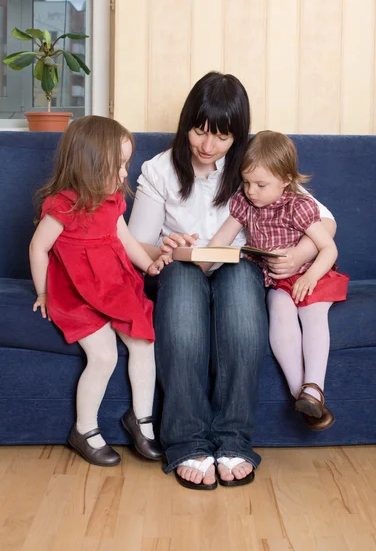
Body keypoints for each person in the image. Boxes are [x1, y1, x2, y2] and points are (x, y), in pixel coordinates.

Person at [128, 72, 337, 490]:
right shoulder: (160, 170)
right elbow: (135, 247)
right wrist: (167, 248)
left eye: (221, 138)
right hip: (182, 269)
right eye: (199, 132)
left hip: (242, 266)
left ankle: (233, 439)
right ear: (186, 122)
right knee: (184, 284)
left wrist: (298, 255)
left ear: (237, 135)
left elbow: (322, 219)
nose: (207, 147)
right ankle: (187, 440)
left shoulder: (255, 164)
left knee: (242, 289)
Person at [29, 116, 171, 467]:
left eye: (126, 164)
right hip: (77, 295)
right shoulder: (63, 206)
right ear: (89, 165)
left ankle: (141, 420)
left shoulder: (113, 203)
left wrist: (147, 264)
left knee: (143, 341)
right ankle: (85, 429)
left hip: (115, 285)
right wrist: (44, 292)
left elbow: (125, 241)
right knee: (104, 356)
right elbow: (38, 248)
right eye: (118, 166)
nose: (125, 174)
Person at [206, 130, 349, 431]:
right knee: (280, 313)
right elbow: (220, 242)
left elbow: (328, 248)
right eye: (246, 182)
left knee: (311, 313)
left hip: (311, 272)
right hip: (277, 281)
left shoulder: (297, 205)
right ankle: (304, 396)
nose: (251, 191)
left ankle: (314, 387)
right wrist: (200, 259)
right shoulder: (243, 203)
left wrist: (310, 276)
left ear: (285, 180)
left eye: (260, 184)